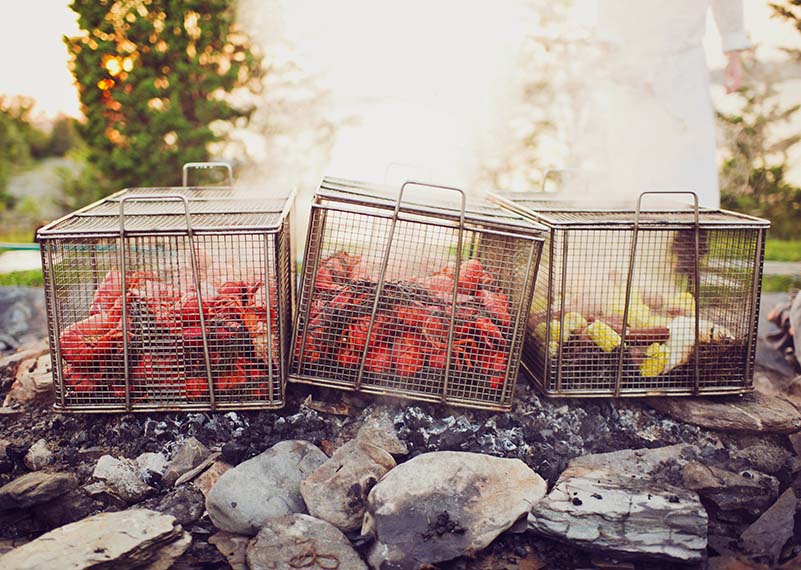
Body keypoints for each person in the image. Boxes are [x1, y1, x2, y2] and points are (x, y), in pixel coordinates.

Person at [575, 0, 751, 209]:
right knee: (632, 160)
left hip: (686, 69)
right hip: (631, 62)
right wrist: (616, 58)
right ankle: (633, 231)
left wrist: (733, 54)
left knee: (691, 161)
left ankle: (691, 233)